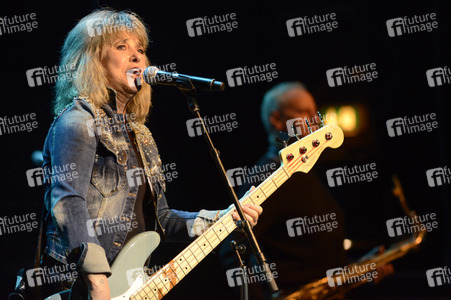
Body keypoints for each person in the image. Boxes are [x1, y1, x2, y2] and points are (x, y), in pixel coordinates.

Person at [39, 9, 262, 299]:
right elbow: (68, 203)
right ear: (92, 60)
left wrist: (222, 218)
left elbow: (163, 219)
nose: (137, 57)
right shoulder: (78, 120)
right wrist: (98, 284)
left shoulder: (139, 134)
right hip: (79, 288)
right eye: (121, 47)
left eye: (140, 50)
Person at [219, 82, 347, 299]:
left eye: (315, 112)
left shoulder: (304, 168)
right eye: (304, 112)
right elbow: (231, 250)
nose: (315, 120)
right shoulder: (266, 177)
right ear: (276, 119)